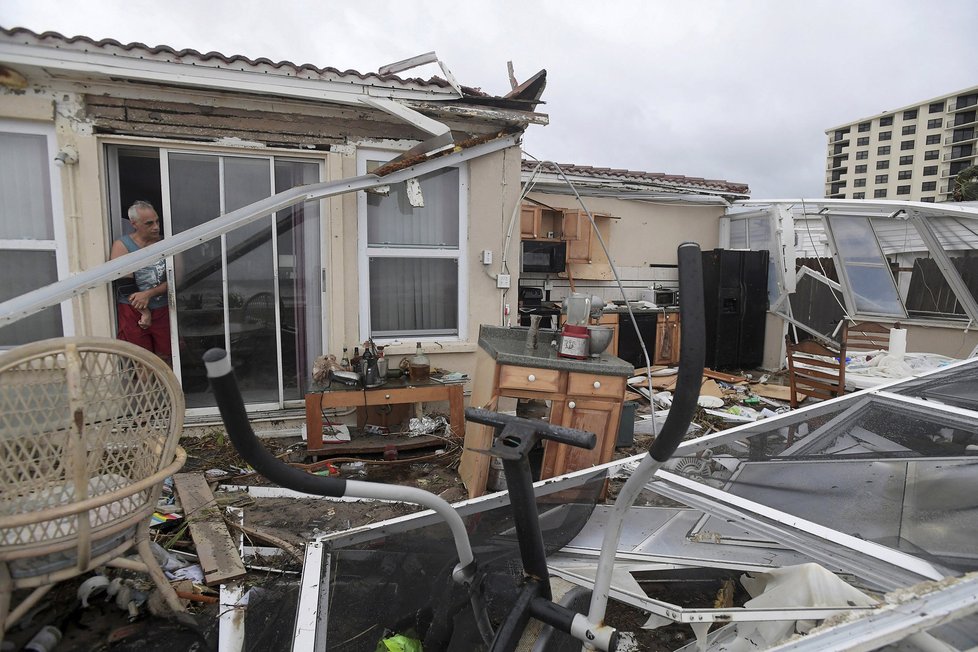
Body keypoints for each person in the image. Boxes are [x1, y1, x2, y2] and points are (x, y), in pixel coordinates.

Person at [110, 201, 171, 364]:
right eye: (149, 223)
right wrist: (144, 312)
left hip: (162, 307)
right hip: (132, 309)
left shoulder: (166, 243)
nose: (156, 227)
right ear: (134, 224)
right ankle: (148, 389)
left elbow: (175, 280)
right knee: (141, 360)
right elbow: (124, 283)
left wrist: (150, 293)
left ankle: (168, 390)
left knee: (166, 357)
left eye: (157, 221)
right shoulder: (122, 245)